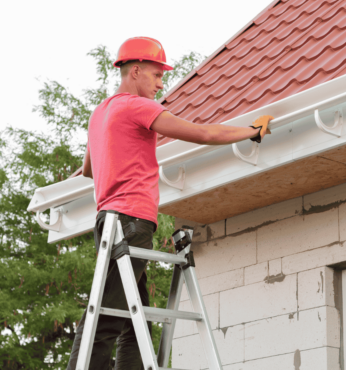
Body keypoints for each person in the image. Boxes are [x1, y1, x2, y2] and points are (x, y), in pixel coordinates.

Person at [66, 36, 273, 370]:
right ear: (136, 70)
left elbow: (89, 170)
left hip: (108, 224)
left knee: (134, 322)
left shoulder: (100, 113)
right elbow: (203, 134)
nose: (160, 85)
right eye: (157, 76)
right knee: (104, 318)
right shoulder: (137, 107)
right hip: (131, 223)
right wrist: (250, 132)